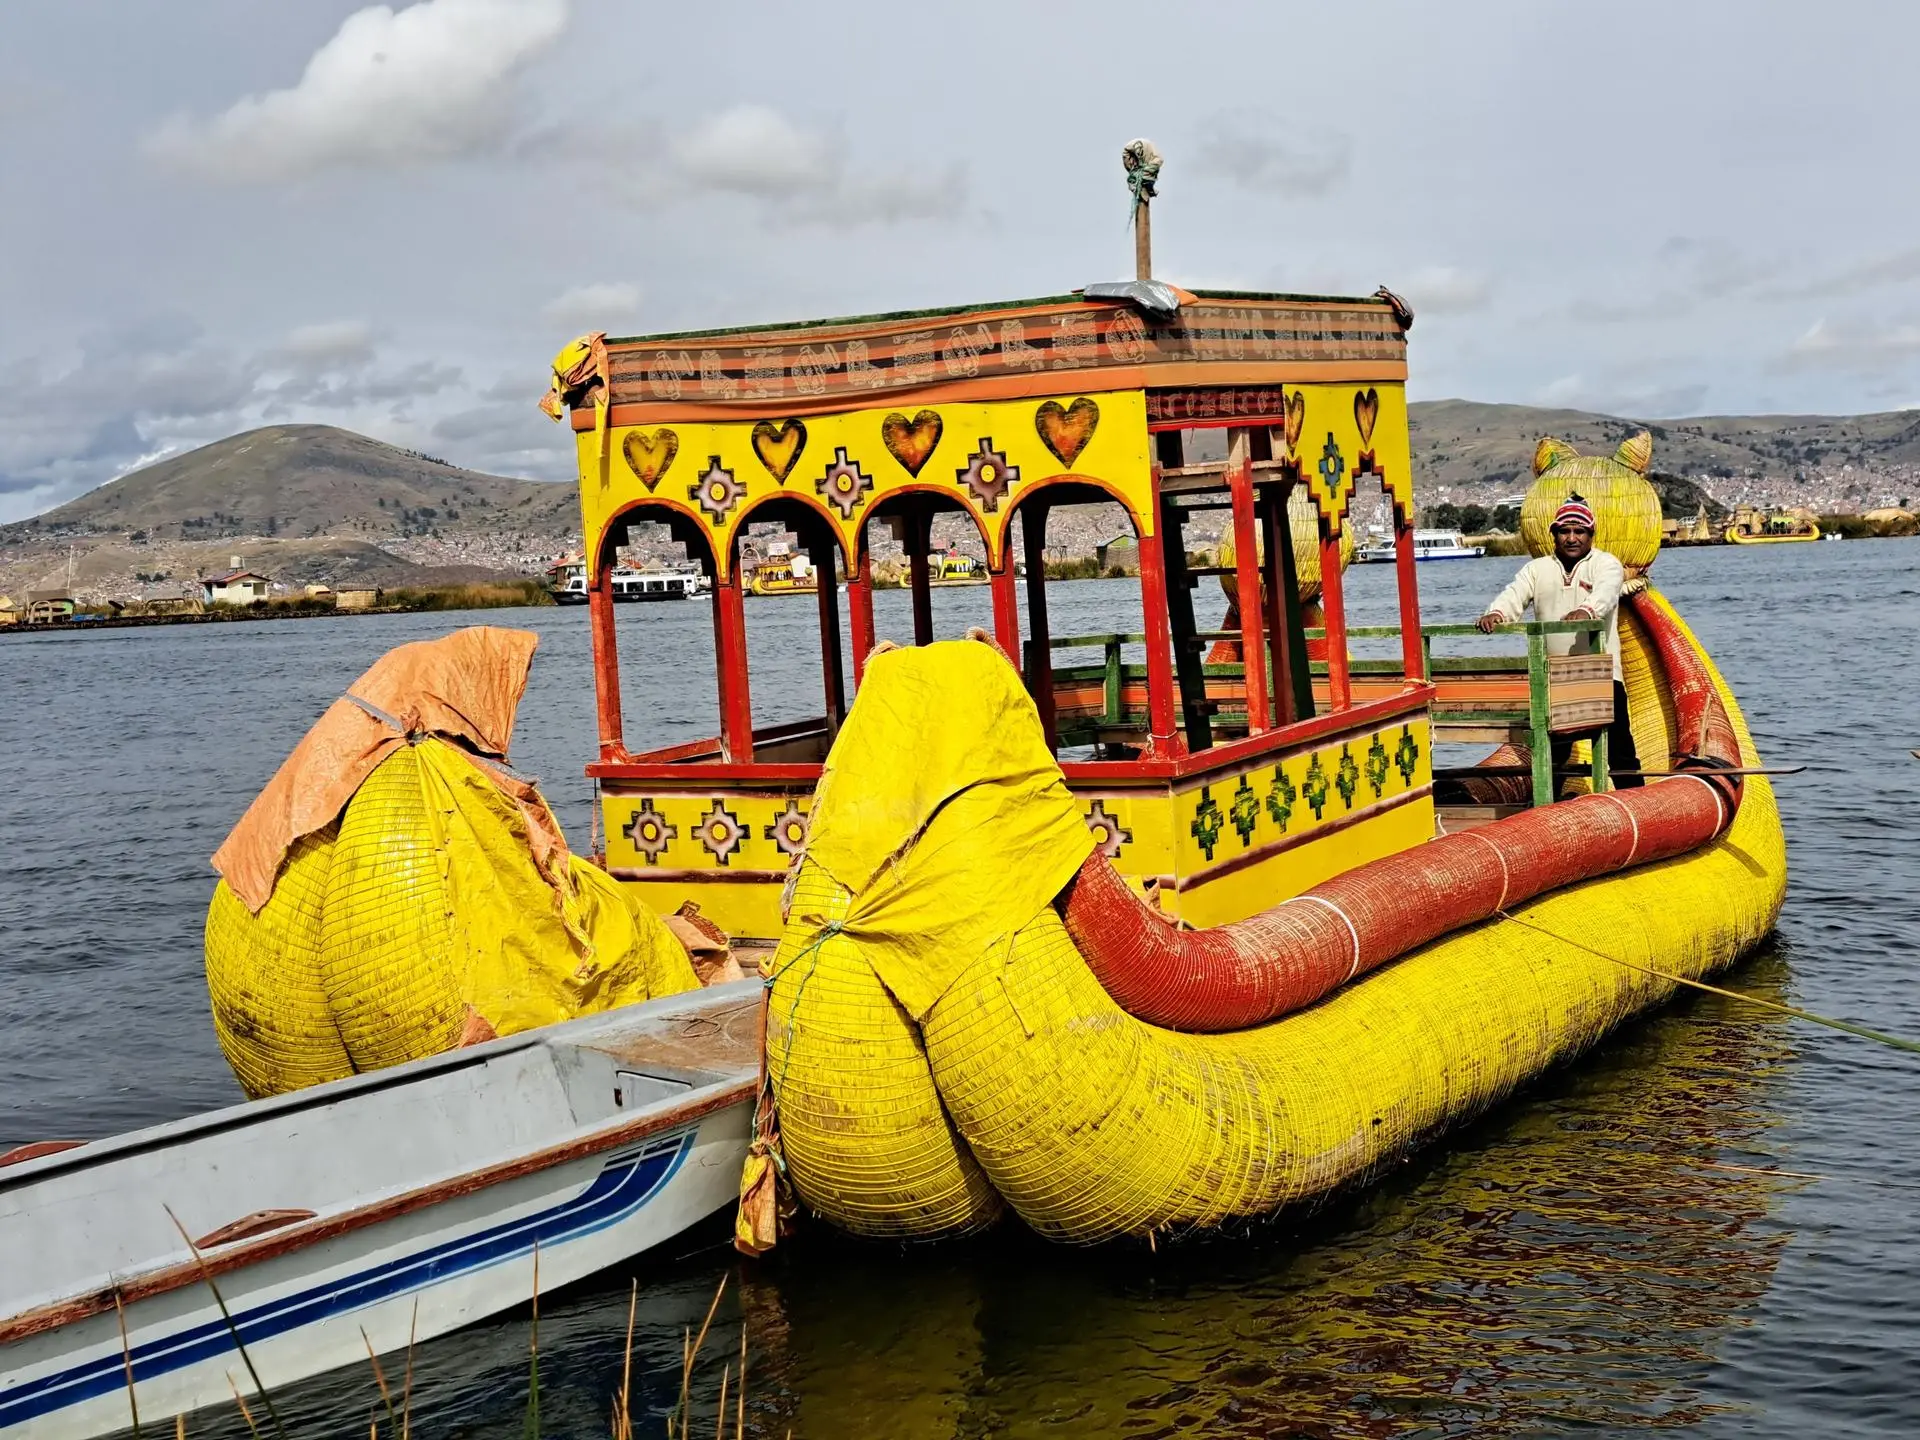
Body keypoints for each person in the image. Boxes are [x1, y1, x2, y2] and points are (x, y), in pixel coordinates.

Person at [1476, 495, 1642, 792]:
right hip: (1554, 676)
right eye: (1564, 531)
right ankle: (1548, 810)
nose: (1571, 537)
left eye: (1579, 531)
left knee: (1619, 749)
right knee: (1554, 752)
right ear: (1554, 535)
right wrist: (1496, 613)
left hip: (1600, 672)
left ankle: (1638, 804)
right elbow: (1514, 594)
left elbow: (1604, 596)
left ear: (1591, 535)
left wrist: (1587, 611)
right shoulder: (1538, 569)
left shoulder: (1607, 564)